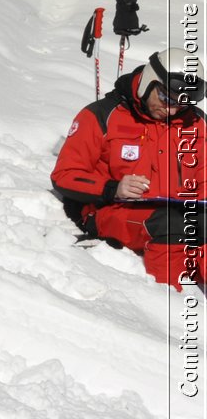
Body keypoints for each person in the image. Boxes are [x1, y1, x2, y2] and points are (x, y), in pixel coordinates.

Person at [52, 48, 205, 289]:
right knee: (171, 224)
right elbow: (65, 175)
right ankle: (171, 303)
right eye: (167, 99)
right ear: (149, 82)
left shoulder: (195, 122)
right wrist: (113, 189)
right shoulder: (102, 114)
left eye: (182, 104)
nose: (172, 110)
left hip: (175, 208)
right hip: (113, 210)